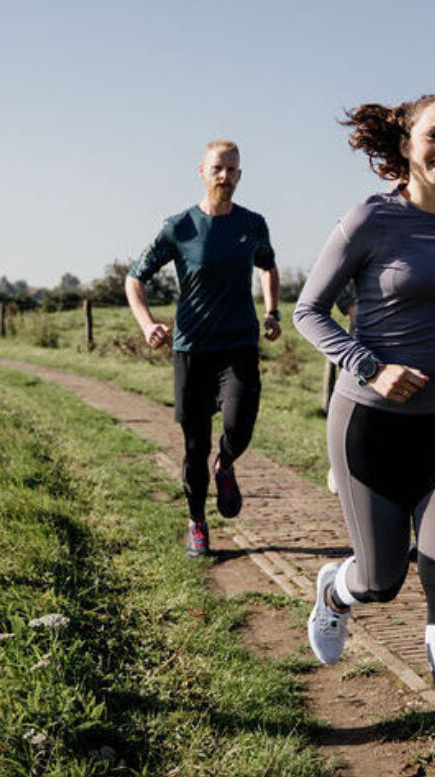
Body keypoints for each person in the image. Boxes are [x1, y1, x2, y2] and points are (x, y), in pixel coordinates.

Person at [294, 93, 435, 777]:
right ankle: (336, 590)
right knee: (383, 580)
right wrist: (370, 366)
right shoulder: (370, 218)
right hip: (370, 425)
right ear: (406, 144)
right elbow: (309, 310)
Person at [126, 139, 281, 557]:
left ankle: (225, 464)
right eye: (217, 169)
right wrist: (147, 324)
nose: (224, 176)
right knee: (195, 446)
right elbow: (134, 278)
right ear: (202, 171)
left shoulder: (252, 224)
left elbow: (267, 266)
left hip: (239, 346)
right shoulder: (179, 227)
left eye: (231, 170)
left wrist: (272, 312)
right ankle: (197, 522)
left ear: (240, 175)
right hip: (192, 349)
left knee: (239, 427)